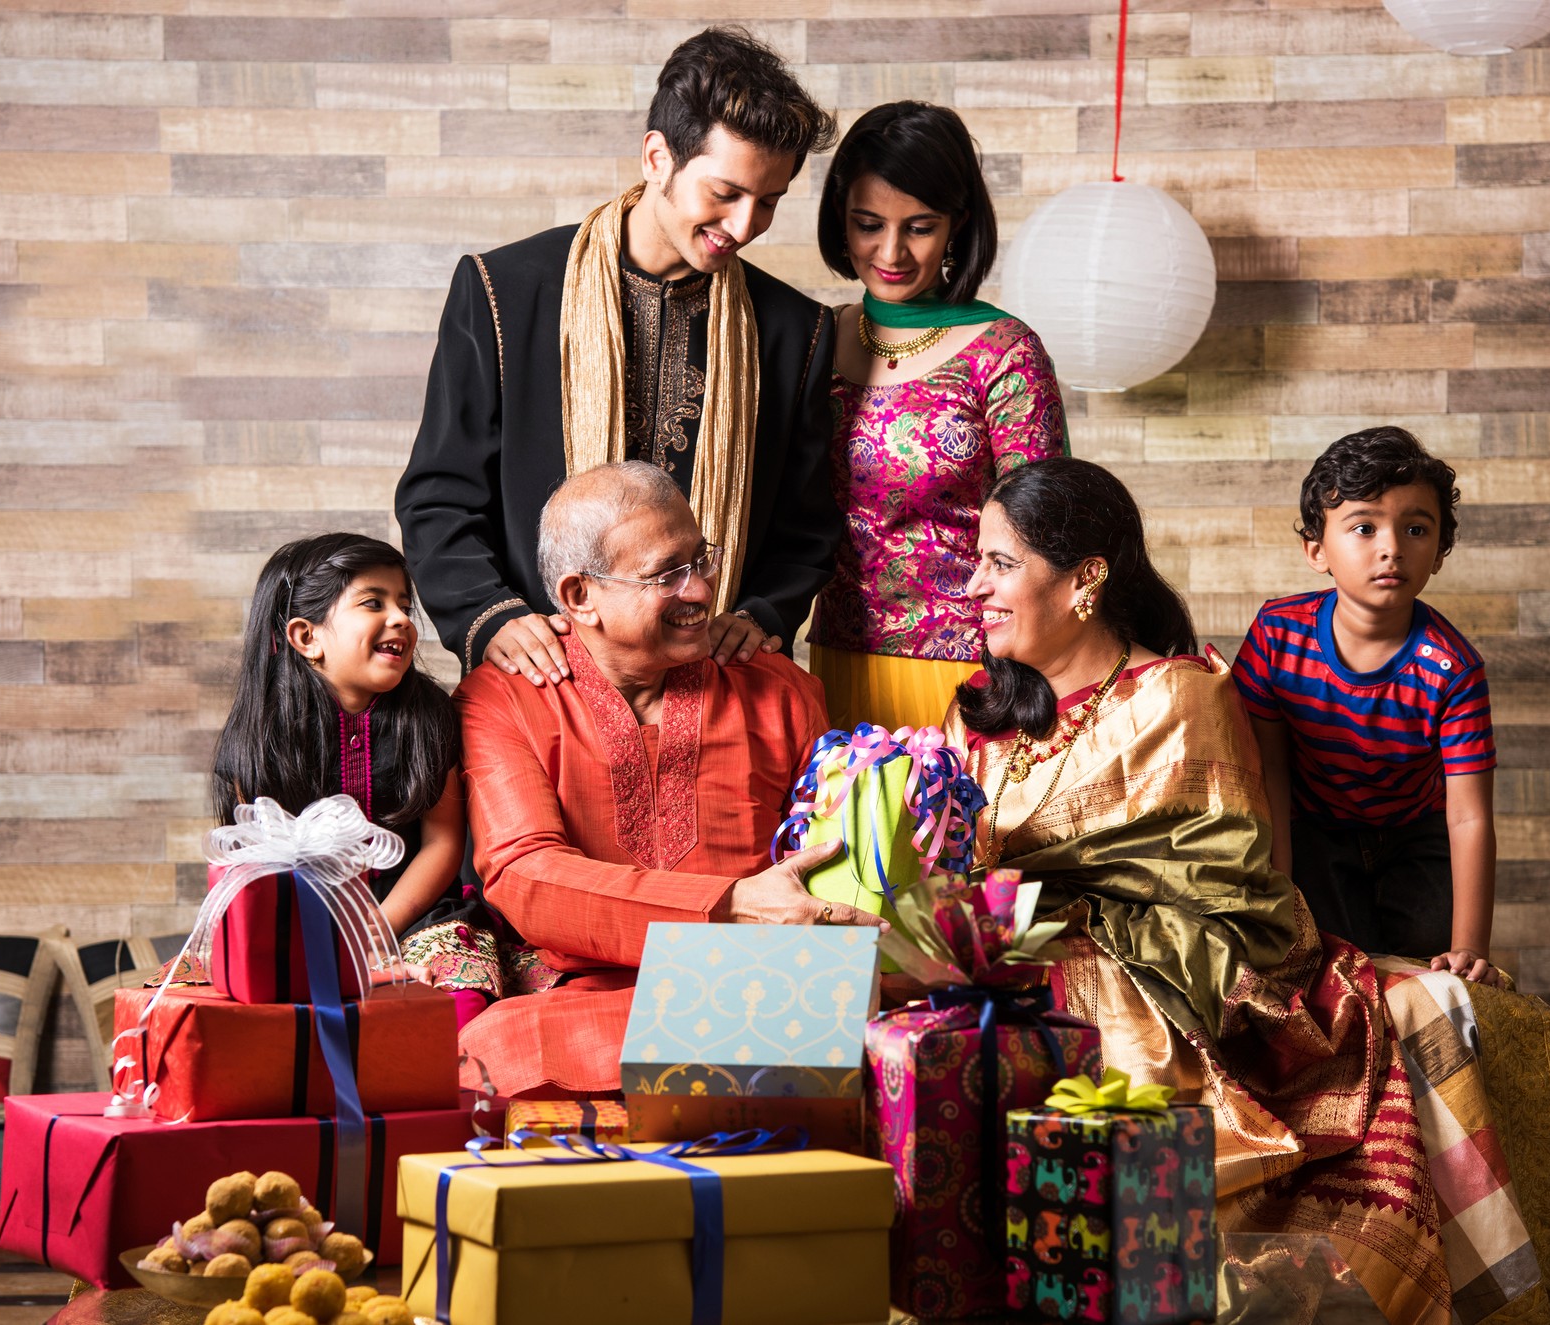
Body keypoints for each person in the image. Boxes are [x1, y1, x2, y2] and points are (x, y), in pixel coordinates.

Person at [950, 457, 1550, 1325]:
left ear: (1085, 579)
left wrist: (1048, 913)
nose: (971, 585)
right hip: (988, 962)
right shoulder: (979, 711)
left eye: (999, 563)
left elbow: (1224, 886)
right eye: (977, 559)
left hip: (1150, 978)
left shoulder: (1176, 698)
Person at [397, 26, 842, 692]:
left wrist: (762, 611)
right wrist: (490, 618)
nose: (746, 226)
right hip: (542, 684)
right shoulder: (504, 291)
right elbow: (439, 497)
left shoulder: (792, 330)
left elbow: (804, 529)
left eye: (769, 201)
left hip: (711, 690)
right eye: (726, 193)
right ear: (657, 157)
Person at [455, 462, 880, 1099]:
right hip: (580, 1001)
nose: (703, 590)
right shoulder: (505, 697)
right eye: (667, 574)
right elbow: (526, 876)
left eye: (702, 560)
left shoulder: (780, 689)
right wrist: (730, 906)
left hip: (757, 994)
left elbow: (827, 870)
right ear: (579, 597)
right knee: (490, 1053)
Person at [806, 101, 1067, 734]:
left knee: (948, 832)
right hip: (832, 655)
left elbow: (1047, 532)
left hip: (968, 669)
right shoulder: (814, 338)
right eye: (868, 223)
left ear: (959, 225)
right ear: (840, 219)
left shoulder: (1005, 350)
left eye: (919, 227)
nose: (890, 251)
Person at [1233, 427, 1498, 981]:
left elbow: (1469, 814)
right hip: (1315, 832)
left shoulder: (1452, 669)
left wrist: (1471, 946)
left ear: (1440, 553)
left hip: (1415, 834)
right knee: (1332, 970)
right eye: (1364, 527)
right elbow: (1268, 775)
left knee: (1427, 975)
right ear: (1316, 549)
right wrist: (1278, 894)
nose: (1392, 547)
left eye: (1416, 528)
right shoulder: (1277, 637)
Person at [212, 535, 495, 1021]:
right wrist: (327, 943)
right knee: (250, 1010)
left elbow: (442, 845)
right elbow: (260, 865)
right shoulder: (262, 737)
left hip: (414, 915)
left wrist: (376, 930)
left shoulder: (430, 717)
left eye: (405, 605)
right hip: (302, 921)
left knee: (460, 1005)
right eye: (373, 603)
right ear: (307, 637)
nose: (402, 618)